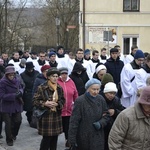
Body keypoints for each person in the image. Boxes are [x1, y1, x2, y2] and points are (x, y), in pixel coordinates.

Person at [68, 78, 110, 150]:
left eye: (98, 89)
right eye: (93, 89)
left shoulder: (101, 99)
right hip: (84, 136)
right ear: (88, 89)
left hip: (98, 135)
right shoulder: (80, 101)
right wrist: (72, 139)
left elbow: (106, 115)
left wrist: (101, 123)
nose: (96, 92)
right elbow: (74, 121)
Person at [33, 67, 65, 150]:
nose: (55, 78)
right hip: (46, 117)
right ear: (48, 77)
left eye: (57, 76)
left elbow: (62, 100)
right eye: (53, 76)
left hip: (56, 116)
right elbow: (35, 101)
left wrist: (58, 104)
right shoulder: (42, 87)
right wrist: (45, 104)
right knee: (46, 139)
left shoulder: (59, 88)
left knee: (55, 139)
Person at [0, 66, 24, 146]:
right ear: (6, 75)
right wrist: (14, 95)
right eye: (9, 75)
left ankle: (13, 134)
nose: (11, 76)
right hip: (6, 106)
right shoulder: (2, 82)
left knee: (18, 121)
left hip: (16, 104)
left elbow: (21, 87)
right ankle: (9, 139)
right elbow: (2, 95)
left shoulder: (17, 80)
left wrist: (20, 92)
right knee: (8, 124)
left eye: (12, 74)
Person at [57, 67, 78, 148]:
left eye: (65, 74)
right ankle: (53, 142)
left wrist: (76, 104)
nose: (64, 75)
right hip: (59, 110)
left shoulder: (71, 82)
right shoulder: (57, 82)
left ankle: (68, 141)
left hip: (69, 110)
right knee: (58, 128)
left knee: (68, 128)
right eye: (62, 74)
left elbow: (75, 93)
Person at [102, 82, 125, 150]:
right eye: (110, 93)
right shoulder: (100, 99)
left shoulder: (116, 100)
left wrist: (115, 112)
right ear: (105, 92)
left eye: (114, 93)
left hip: (112, 128)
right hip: (102, 128)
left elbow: (123, 112)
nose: (112, 95)